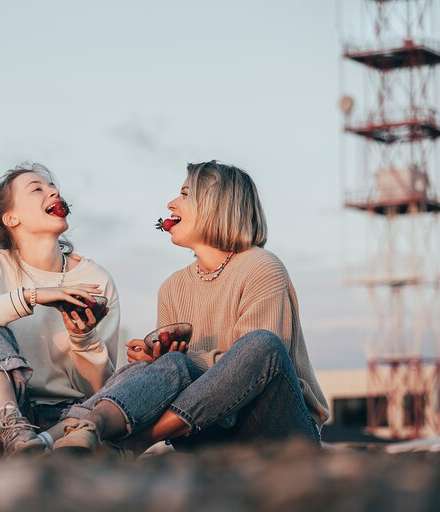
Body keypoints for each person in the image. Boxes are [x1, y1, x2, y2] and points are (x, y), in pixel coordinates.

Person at [52, 160, 329, 455]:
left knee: (262, 344)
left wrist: (185, 361)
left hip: (274, 426)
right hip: (207, 428)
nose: (171, 204)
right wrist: (155, 358)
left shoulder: (262, 266)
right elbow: (177, 369)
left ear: (217, 205)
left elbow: (258, 365)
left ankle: (135, 442)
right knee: (165, 365)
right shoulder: (172, 288)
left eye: (184, 194)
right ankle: (78, 429)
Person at [0, 162, 121, 458]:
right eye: (37, 188)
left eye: (52, 186)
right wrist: (30, 297)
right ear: (11, 218)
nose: (53, 191)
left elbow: (101, 389)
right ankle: (15, 433)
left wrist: (84, 339)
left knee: (126, 380)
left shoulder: (95, 280)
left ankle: (42, 444)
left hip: (68, 418)